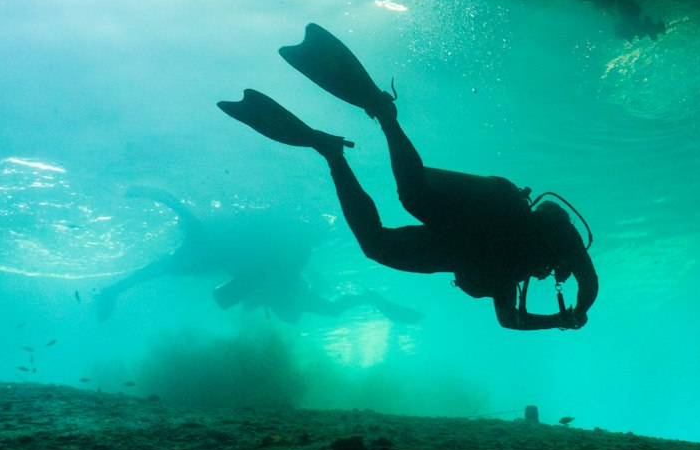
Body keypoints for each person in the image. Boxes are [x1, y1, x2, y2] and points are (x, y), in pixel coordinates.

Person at [219, 23, 597, 331]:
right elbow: (589, 281)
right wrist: (578, 309)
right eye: (555, 268)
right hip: (480, 211)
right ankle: (383, 112)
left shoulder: (508, 275)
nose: (549, 272)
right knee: (414, 194)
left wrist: (561, 320)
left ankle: (331, 153)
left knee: (376, 246)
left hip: (454, 245)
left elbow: (509, 320)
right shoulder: (557, 233)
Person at [94, 186, 421, 326]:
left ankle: (174, 208)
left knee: (182, 258)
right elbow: (326, 302)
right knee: (185, 254)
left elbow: (328, 304)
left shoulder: (284, 284)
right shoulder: (287, 282)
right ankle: (174, 207)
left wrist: (371, 300)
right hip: (243, 251)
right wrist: (371, 300)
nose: (292, 318)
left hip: (246, 255)